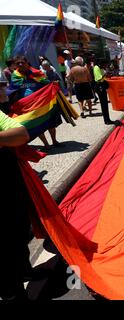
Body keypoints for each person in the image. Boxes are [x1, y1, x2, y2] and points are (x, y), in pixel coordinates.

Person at [0, 110, 34, 301]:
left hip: (8, 183)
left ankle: (25, 271)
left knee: (20, 228)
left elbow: (21, 134)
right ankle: (11, 292)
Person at [10, 56, 60, 148]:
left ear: (27, 62)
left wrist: (53, 85)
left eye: (22, 62)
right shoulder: (15, 76)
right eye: (18, 63)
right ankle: (46, 144)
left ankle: (54, 140)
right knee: (36, 124)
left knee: (50, 122)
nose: (20, 64)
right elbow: (12, 90)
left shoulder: (36, 72)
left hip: (42, 102)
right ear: (15, 65)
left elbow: (46, 82)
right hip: (26, 106)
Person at [93, 59, 115, 125]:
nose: (105, 66)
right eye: (105, 65)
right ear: (101, 63)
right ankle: (106, 120)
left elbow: (103, 78)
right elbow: (99, 78)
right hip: (99, 87)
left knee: (105, 104)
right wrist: (105, 74)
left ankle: (107, 119)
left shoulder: (101, 68)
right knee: (103, 104)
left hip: (102, 86)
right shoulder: (96, 68)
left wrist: (108, 74)